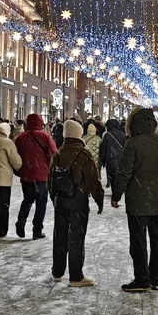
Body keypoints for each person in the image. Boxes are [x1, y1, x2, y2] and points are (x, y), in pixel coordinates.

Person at [111, 107, 158, 294]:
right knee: (157, 240)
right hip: (156, 199)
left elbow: (124, 172)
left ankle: (142, 279)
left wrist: (116, 195)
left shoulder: (133, 143)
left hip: (137, 200)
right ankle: (155, 278)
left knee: (138, 242)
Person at [49, 119, 104, 287]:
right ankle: (75, 276)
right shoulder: (83, 153)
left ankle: (57, 272)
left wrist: (55, 199)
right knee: (76, 237)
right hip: (78, 200)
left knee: (60, 236)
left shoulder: (57, 154)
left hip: (60, 200)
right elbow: (92, 180)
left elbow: (49, 181)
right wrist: (99, 198)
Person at [14, 113, 57, 239]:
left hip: (27, 175)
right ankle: (37, 230)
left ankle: (21, 221)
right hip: (42, 176)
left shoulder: (21, 137)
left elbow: (16, 156)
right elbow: (54, 153)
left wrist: (20, 171)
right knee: (41, 203)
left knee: (27, 200)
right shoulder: (45, 136)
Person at [100, 118, 126, 189]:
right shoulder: (123, 135)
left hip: (110, 160)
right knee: (119, 176)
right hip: (121, 160)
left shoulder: (107, 135)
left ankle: (114, 189)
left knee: (112, 177)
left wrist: (103, 160)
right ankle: (118, 190)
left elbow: (103, 149)